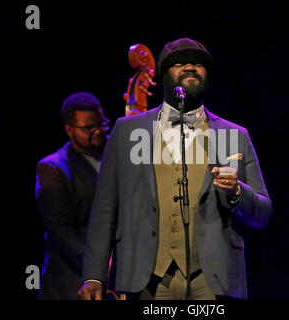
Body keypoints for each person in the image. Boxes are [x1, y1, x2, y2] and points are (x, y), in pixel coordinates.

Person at [78, 38, 272, 300]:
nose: (191, 67)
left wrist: (238, 192)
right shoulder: (127, 132)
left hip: (214, 281)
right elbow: (104, 210)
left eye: (199, 64)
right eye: (180, 63)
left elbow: (262, 212)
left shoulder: (234, 135)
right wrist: (94, 275)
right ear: (163, 74)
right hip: (149, 278)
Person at [35, 92, 110, 299]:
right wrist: (100, 271)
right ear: (69, 130)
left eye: (102, 124)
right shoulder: (53, 168)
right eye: (88, 128)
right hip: (71, 283)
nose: (98, 131)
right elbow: (64, 235)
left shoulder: (116, 153)